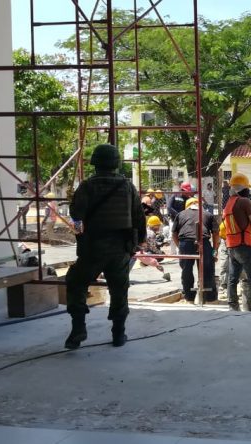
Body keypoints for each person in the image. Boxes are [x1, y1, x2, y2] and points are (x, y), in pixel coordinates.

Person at [64, 144, 145, 349]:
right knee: (119, 290)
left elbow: (77, 216)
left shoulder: (87, 186)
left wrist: (72, 201)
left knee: (76, 281)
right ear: (116, 163)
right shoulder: (127, 186)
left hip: (93, 247)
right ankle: (118, 334)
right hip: (120, 248)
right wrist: (137, 243)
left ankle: (78, 328)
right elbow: (139, 217)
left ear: (95, 163)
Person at [224, 173, 251, 312]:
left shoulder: (229, 202)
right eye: (248, 189)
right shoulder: (244, 201)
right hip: (245, 245)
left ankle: (233, 305)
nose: (249, 191)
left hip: (232, 245)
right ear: (243, 188)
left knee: (232, 278)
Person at [171, 197, 217, 303]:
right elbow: (216, 233)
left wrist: (180, 247)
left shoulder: (180, 214)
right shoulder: (207, 214)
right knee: (207, 270)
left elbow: (174, 234)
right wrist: (214, 250)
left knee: (186, 270)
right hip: (204, 242)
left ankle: (189, 298)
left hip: (185, 242)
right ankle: (210, 299)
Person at [130, 216, 171, 282]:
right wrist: (161, 254)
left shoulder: (145, 231)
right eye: (158, 225)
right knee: (160, 256)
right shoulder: (151, 234)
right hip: (140, 252)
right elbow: (152, 248)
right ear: (154, 226)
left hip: (138, 251)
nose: (159, 227)